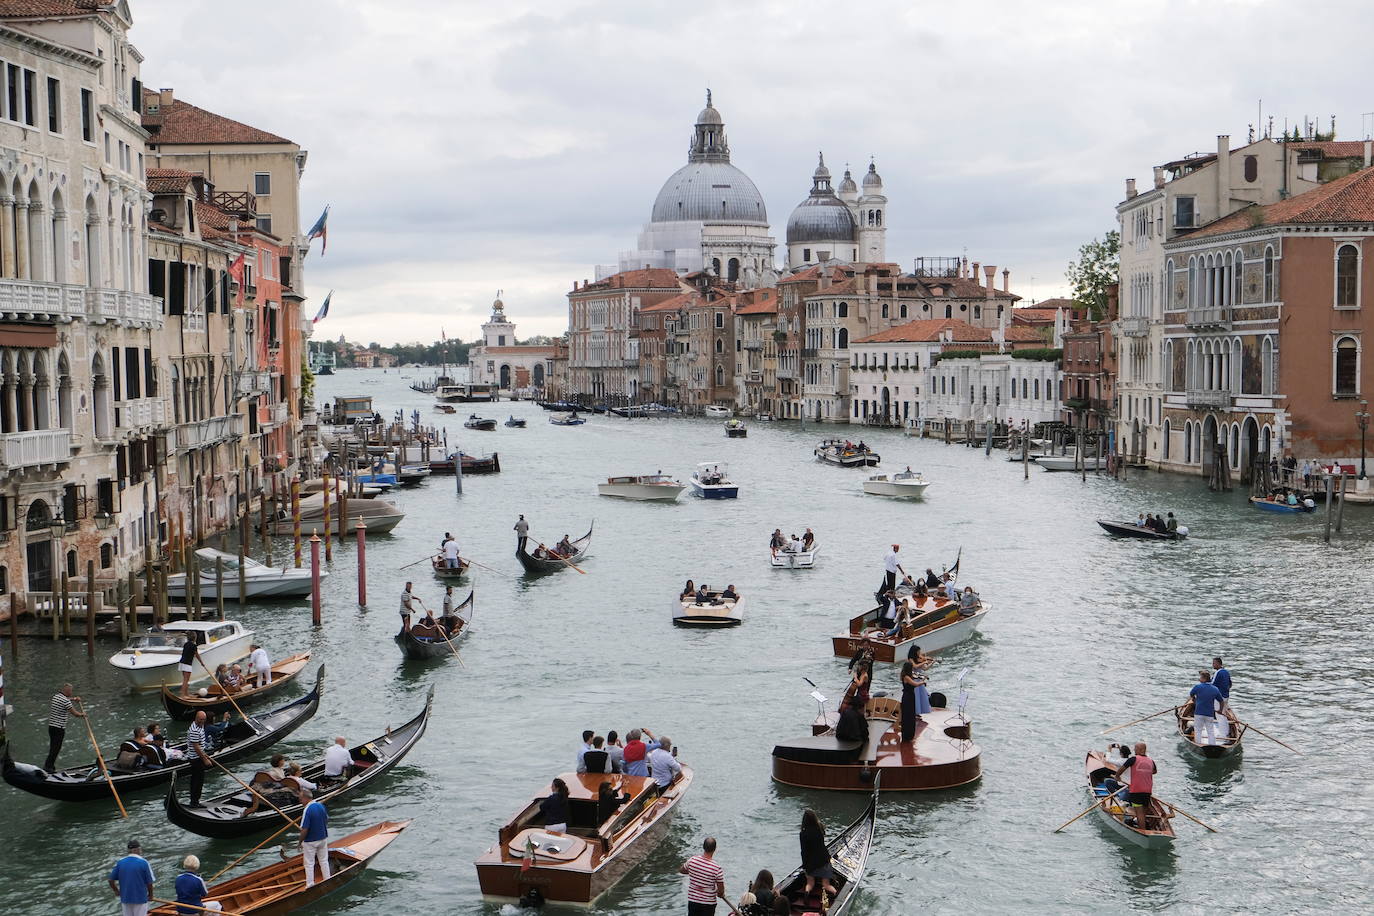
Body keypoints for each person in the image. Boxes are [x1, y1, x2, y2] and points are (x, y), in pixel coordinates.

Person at [1111, 741, 1158, 829]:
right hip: (1147, 791)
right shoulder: (1151, 761)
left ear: (1141, 749)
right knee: (1143, 812)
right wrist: (1144, 771)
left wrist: (1117, 776)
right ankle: (1144, 827)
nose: (1134, 750)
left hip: (1136, 790)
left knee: (1139, 813)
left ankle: (1142, 831)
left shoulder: (1133, 759)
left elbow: (1122, 769)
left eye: (1135, 748)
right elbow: (1154, 771)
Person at [679, 836, 727, 916]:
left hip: (693, 901)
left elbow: (682, 870)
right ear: (715, 849)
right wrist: (720, 894)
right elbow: (721, 891)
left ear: (703, 847)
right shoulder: (716, 868)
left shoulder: (692, 860)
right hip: (708, 904)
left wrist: (694, 872)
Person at [108, 839, 155, 916]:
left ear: (129, 850)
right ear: (138, 849)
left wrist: (116, 891)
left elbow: (110, 880)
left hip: (125, 898)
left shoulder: (120, 862)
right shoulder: (144, 862)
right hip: (140, 899)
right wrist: (151, 895)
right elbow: (149, 883)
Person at [44, 682, 84, 772]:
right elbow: (75, 714)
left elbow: (67, 699)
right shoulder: (66, 701)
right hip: (59, 728)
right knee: (56, 748)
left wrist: (74, 699)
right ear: (68, 691)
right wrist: (83, 714)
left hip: (51, 727)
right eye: (71, 691)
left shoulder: (56, 697)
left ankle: (50, 766)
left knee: (53, 747)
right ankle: (48, 768)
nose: (71, 693)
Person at [799, 809, 837, 899]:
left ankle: (807, 891)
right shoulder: (820, 829)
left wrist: (805, 866)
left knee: (810, 883)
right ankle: (835, 893)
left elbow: (804, 851)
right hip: (823, 861)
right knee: (826, 884)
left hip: (811, 864)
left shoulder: (803, 833)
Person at [299, 787, 331, 888]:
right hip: (323, 838)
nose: (300, 801)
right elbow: (326, 819)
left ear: (305, 798)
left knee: (309, 863)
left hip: (310, 841)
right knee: (324, 860)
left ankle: (310, 884)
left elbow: (305, 829)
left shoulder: (307, 810)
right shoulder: (320, 805)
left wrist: (300, 842)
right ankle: (327, 879)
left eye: (301, 799)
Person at [900, 646, 933, 742]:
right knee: (908, 716)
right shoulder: (907, 677)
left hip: (910, 696)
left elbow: (920, 671)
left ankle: (910, 733)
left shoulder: (908, 676)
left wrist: (931, 662)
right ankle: (907, 735)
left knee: (910, 714)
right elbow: (915, 683)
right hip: (908, 696)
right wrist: (923, 681)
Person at [1186, 669, 1226, 746]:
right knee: (1210, 731)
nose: (1199, 679)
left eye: (1200, 677)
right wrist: (1220, 710)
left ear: (1204, 679)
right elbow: (1221, 701)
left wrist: (1194, 700)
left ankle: (1198, 745)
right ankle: (1212, 746)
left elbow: (1191, 695)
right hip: (1209, 714)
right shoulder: (1215, 689)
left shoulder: (1197, 687)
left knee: (1198, 731)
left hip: (1199, 713)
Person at [186, 711, 211, 807]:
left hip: (198, 756)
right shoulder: (194, 730)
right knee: (197, 781)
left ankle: (195, 801)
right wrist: (205, 759)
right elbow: (196, 747)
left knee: (198, 780)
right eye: (201, 719)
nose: (202, 721)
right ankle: (194, 802)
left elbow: (200, 745)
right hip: (196, 758)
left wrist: (204, 754)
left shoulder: (200, 725)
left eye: (204, 720)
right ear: (196, 718)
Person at [178, 632, 198, 697]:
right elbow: (197, 655)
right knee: (186, 680)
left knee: (185, 679)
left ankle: (186, 694)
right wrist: (202, 663)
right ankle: (183, 695)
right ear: (195, 638)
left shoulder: (186, 644)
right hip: (187, 664)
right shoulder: (194, 646)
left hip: (182, 663)